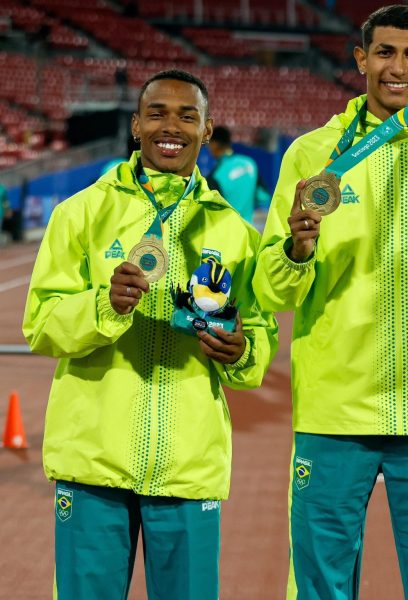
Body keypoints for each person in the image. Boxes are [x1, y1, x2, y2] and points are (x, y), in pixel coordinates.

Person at [251, 5, 408, 599]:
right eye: (385, 52)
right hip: (334, 410)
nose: (398, 67)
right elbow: (270, 289)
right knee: (321, 588)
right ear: (361, 59)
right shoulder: (312, 155)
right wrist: (297, 252)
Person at [22, 69, 278, 599]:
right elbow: (42, 325)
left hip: (188, 466)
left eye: (189, 115)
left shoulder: (234, 233)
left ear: (207, 132)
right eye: (158, 112)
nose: (172, 126)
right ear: (136, 125)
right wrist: (103, 305)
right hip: (94, 464)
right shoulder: (82, 214)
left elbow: (256, 334)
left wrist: (242, 351)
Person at [206, 125, 269, 225]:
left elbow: (213, 212)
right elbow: (263, 196)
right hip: (249, 233)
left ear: (215, 144)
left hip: (228, 234)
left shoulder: (215, 176)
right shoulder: (249, 164)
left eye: (209, 144)